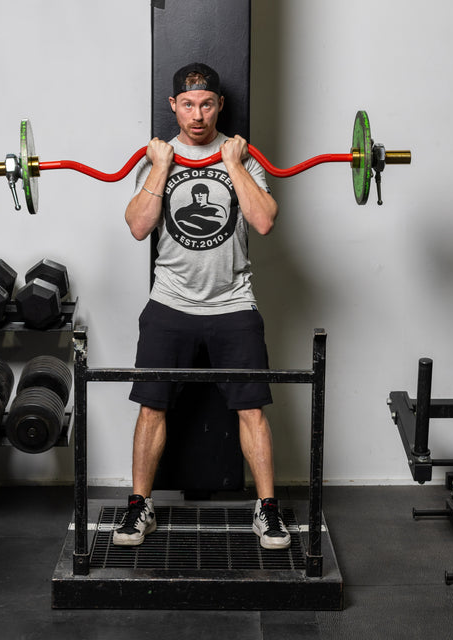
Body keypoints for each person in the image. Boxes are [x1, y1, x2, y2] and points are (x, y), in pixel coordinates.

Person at [113, 62, 290, 551]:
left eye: (206, 103)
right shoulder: (158, 161)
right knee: (151, 406)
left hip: (233, 302)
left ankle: (267, 511)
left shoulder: (243, 158)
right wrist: (162, 165)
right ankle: (138, 507)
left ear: (219, 105)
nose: (197, 114)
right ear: (173, 106)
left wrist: (233, 164)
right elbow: (138, 226)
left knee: (251, 409)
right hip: (169, 301)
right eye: (187, 105)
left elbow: (264, 221)